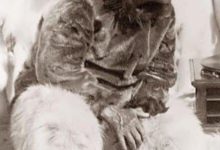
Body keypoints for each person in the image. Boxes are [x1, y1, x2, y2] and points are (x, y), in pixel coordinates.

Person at [10, 0, 205, 149]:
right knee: (62, 129)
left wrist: (143, 105)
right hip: (61, 92)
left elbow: (161, 71)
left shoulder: (163, 11)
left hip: (126, 103)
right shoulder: (79, 5)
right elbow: (57, 70)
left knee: (181, 134)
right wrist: (109, 111)